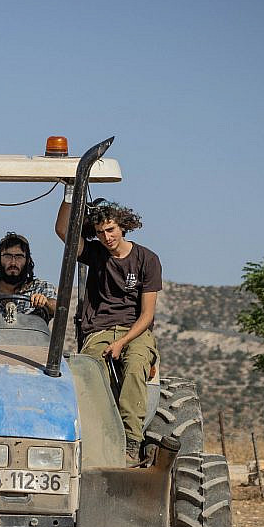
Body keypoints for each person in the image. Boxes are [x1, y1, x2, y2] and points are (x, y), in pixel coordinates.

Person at [56, 191, 162, 462]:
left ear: (123, 226)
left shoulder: (147, 260)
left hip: (134, 330)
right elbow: (62, 230)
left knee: (136, 365)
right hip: (99, 330)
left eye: (111, 230)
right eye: (101, 232)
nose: (108, 237)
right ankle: (97, 437)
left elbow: (147, 315)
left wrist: (123, 342)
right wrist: (69, 191)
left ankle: (131, 441)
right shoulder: (96, 254)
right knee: (89, 373)